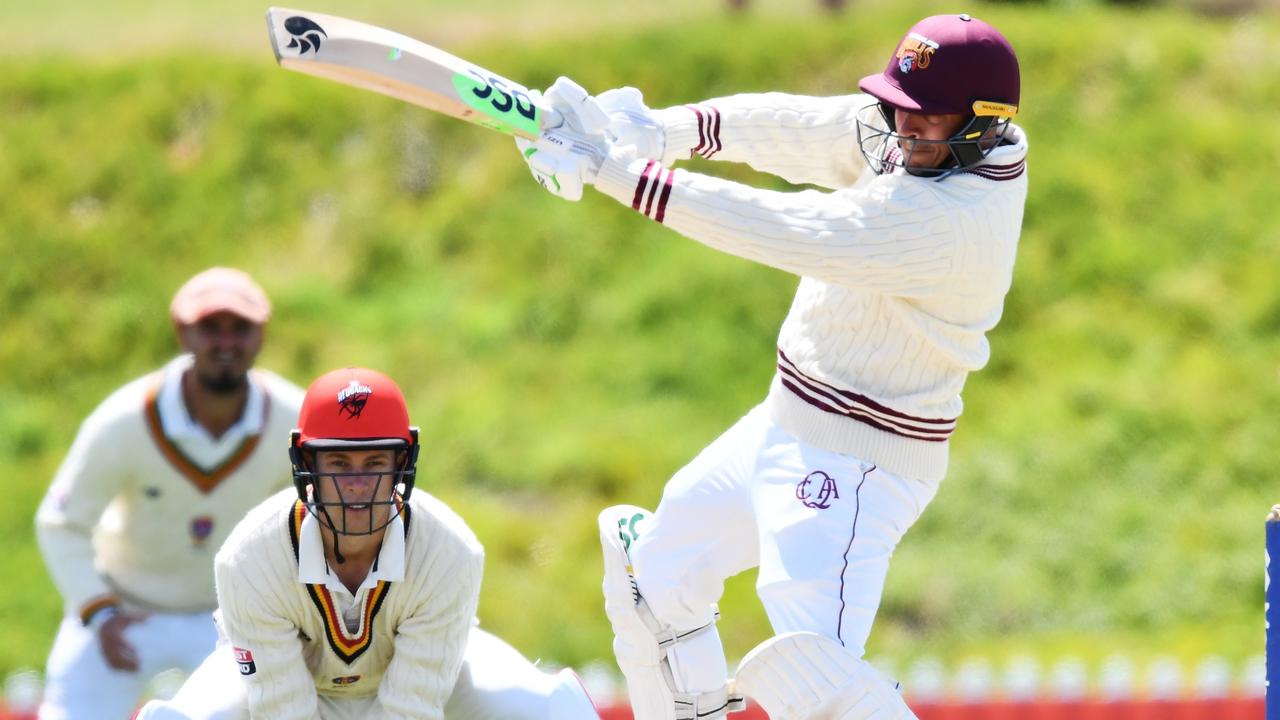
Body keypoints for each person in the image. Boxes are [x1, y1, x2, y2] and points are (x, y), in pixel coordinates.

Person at [516, 13, 1027, 720]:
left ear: (983, 124)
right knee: (652, 578)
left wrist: (618, 172)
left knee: (817, 686)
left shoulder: (951, 222)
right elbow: (799, 129)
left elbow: (787, 230)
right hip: (785, 419)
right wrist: (660, 130)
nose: (903, 131)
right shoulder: (927, 140)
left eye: (925, 118)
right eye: (898, 111)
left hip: (857, 466)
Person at [134, 367, 599, 720]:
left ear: (403, 463)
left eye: (375, 461)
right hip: (292, 682)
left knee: (555, 709)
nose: (357, 484)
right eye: (338, 463)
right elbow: (283, 709)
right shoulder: (248, 559)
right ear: (305, 462)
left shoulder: (451, 550)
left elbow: (412, 708)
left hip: (431, 673)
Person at [35, 268, 306, 720]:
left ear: (261, 334)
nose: (225, 343)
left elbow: (323, 520)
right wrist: (98, 611)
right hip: (123, 610)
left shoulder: (293, 420)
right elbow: (61, 523)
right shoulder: (123, 420)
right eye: (210, 328)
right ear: (183, 332)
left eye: (240, 328)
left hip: (229, 616)